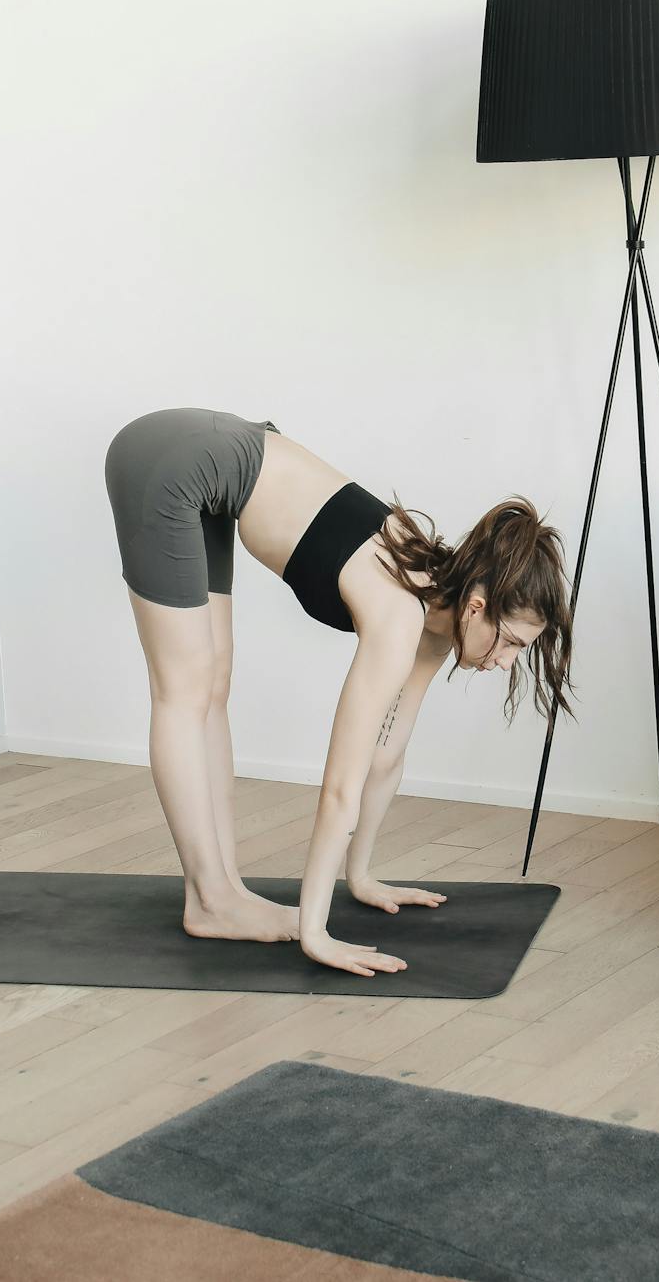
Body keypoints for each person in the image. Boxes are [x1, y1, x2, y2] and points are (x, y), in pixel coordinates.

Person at [104, 407, 576, 977]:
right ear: (478, 607)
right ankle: (210, 899)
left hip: (216, 467)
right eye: (512, 644)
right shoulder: (399, 617)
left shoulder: (439, 606)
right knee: (184, 688)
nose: (505, 663)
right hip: (170, 464)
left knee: (214, 681)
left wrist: (362, 873)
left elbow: (387, 751)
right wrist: (315, 931)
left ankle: (224, 889)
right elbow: (340, 788)